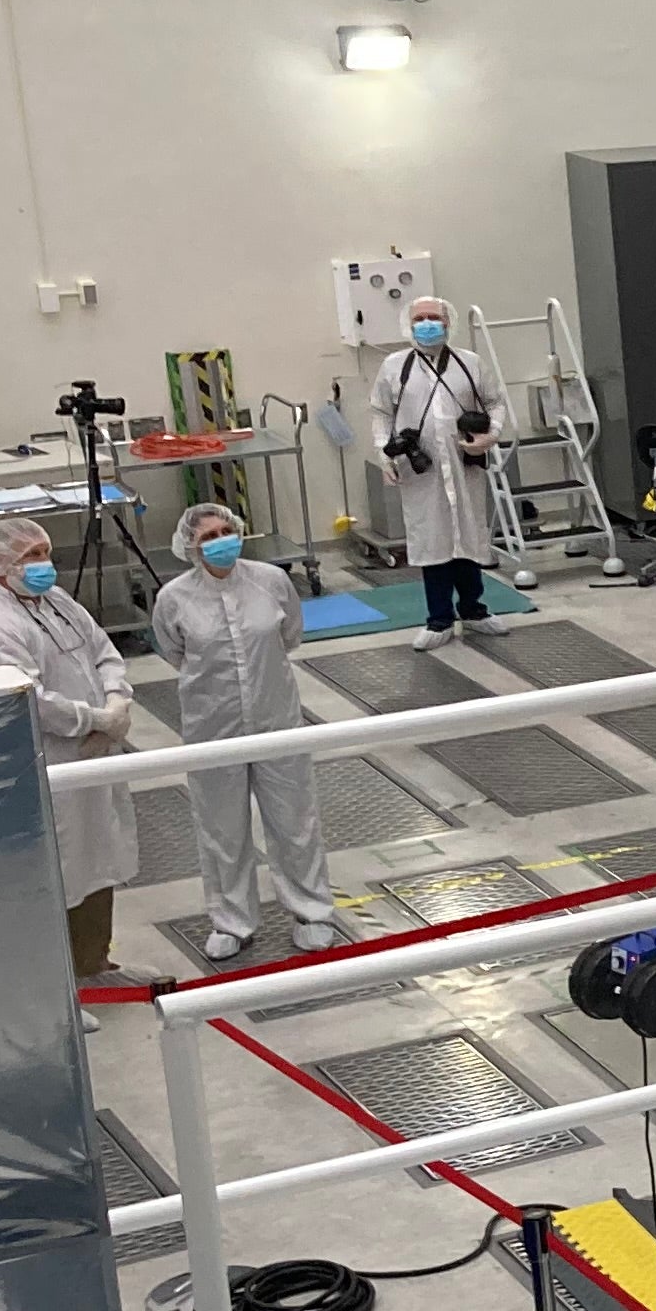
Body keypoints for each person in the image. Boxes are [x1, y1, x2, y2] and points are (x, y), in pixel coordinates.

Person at [150, 505, 341, 964]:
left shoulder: (270, 581)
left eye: (227, 530)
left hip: (276, 717)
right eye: (209, 535)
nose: (221, 540)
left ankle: (312, 911)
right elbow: (174, 650)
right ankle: (231, 920)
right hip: (212, 725)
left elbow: (289, 635)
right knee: (221, 827)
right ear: (190, 546)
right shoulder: (173, 598)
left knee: (294, 819)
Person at [0, 515, 134, 999]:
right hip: (44, 761)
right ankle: (55, 990)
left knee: (99, 852)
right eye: (29, 556)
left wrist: (116, 702)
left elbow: (104, 651)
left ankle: (93, 963)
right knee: (57, 865)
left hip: (93, 755)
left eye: (44, 552)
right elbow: (26, 696)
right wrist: (93, 720)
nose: (43, 564)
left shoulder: (57, 602)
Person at [372, 294, 505, 646]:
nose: (427, 324)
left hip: (465, 466)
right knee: (432, 543)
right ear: (408, 324)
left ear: (448, 323)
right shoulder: (393, 367)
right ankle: (439, 620)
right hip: (422, 471)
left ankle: (475, 611)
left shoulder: (470, 363)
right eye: (420, 318)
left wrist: (489, 437)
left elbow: (494, 402)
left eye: (434, 317)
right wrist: (385, 456)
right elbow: (381, 414)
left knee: (468, 537)